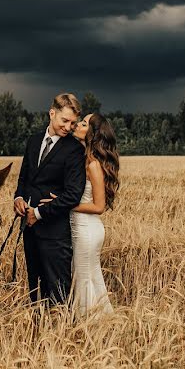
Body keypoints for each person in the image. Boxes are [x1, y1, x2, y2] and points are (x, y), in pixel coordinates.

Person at [44, 113, 120, 316]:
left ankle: (88, 325)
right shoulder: (84, 158)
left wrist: (62, 204)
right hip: (83, 228)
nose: (77, 124)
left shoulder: (93, 165)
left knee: (83, 278)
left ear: (92, 133)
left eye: (84, 123)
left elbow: (99, 206)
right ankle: (102, 322)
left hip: (87, 229)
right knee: (89, 277)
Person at [13, 93, 86, 304]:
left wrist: (38, 213)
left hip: (55, 233)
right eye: (65, 120)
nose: (68, 127)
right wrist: (18, 197)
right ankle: (37, 332)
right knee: (34, 289)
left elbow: (73, 194)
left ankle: (60, 334)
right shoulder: (33, 141)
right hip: (29, 230)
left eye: (73, 123)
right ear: (52, 113)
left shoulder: (74, 150)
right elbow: (24, 177)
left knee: (57, 290)